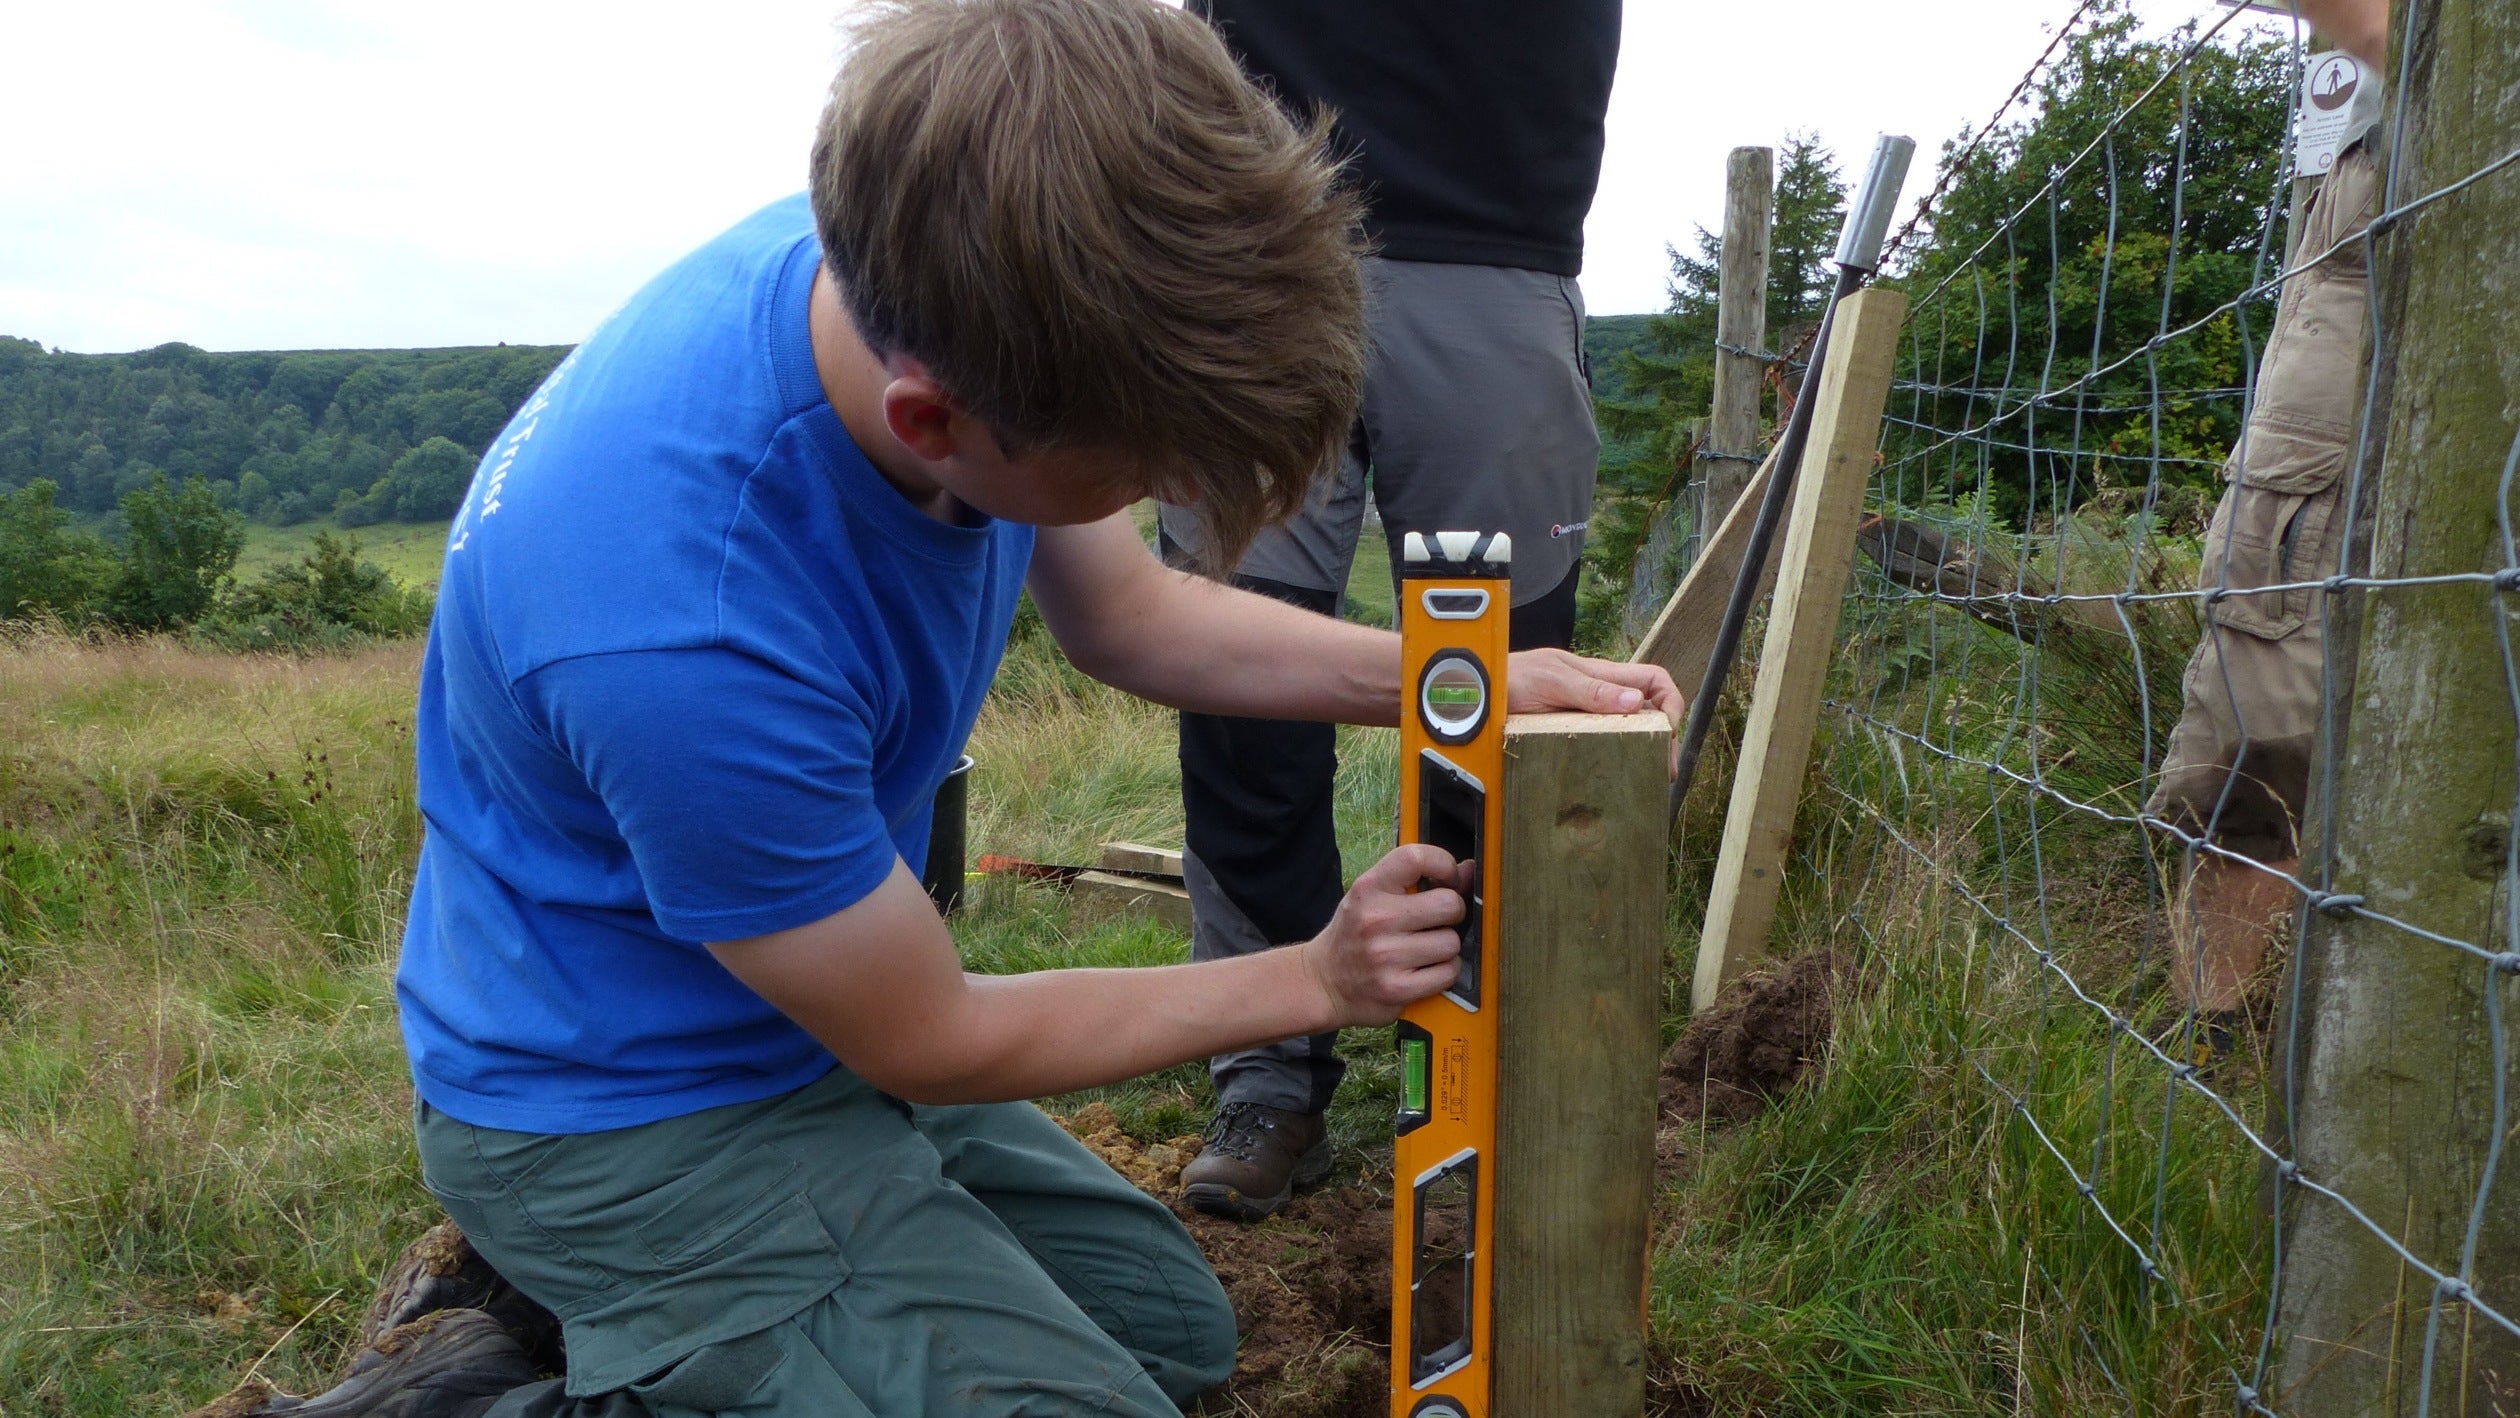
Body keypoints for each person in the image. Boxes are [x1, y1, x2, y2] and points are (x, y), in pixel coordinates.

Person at [184, 2, 1679, 1415]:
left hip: (801, 1032)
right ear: (934, 421)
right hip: (621, 1111)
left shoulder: (955, 267)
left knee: (1175, 1330)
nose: (1161, 499)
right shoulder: (676, 623)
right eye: (1136, 473)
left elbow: (1135, 618)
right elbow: (934, 1035)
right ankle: (525, 1347)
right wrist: (1319, 979)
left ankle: (717, 1304)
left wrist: (1455, 684)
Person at [1162, 0, 1624, 1223]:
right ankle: (1271, 1078)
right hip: (1254, 242)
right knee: (1238, 703)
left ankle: (1478, 1076)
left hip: (1497, 243)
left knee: (1513, 704)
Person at [2150, 0, 2386, 1064]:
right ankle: (2224, 1051)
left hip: (2410, 179)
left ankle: (2221, 1043)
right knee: (2271, 675)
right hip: (2374, 182)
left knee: (2268, 677)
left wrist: (2376, 30)